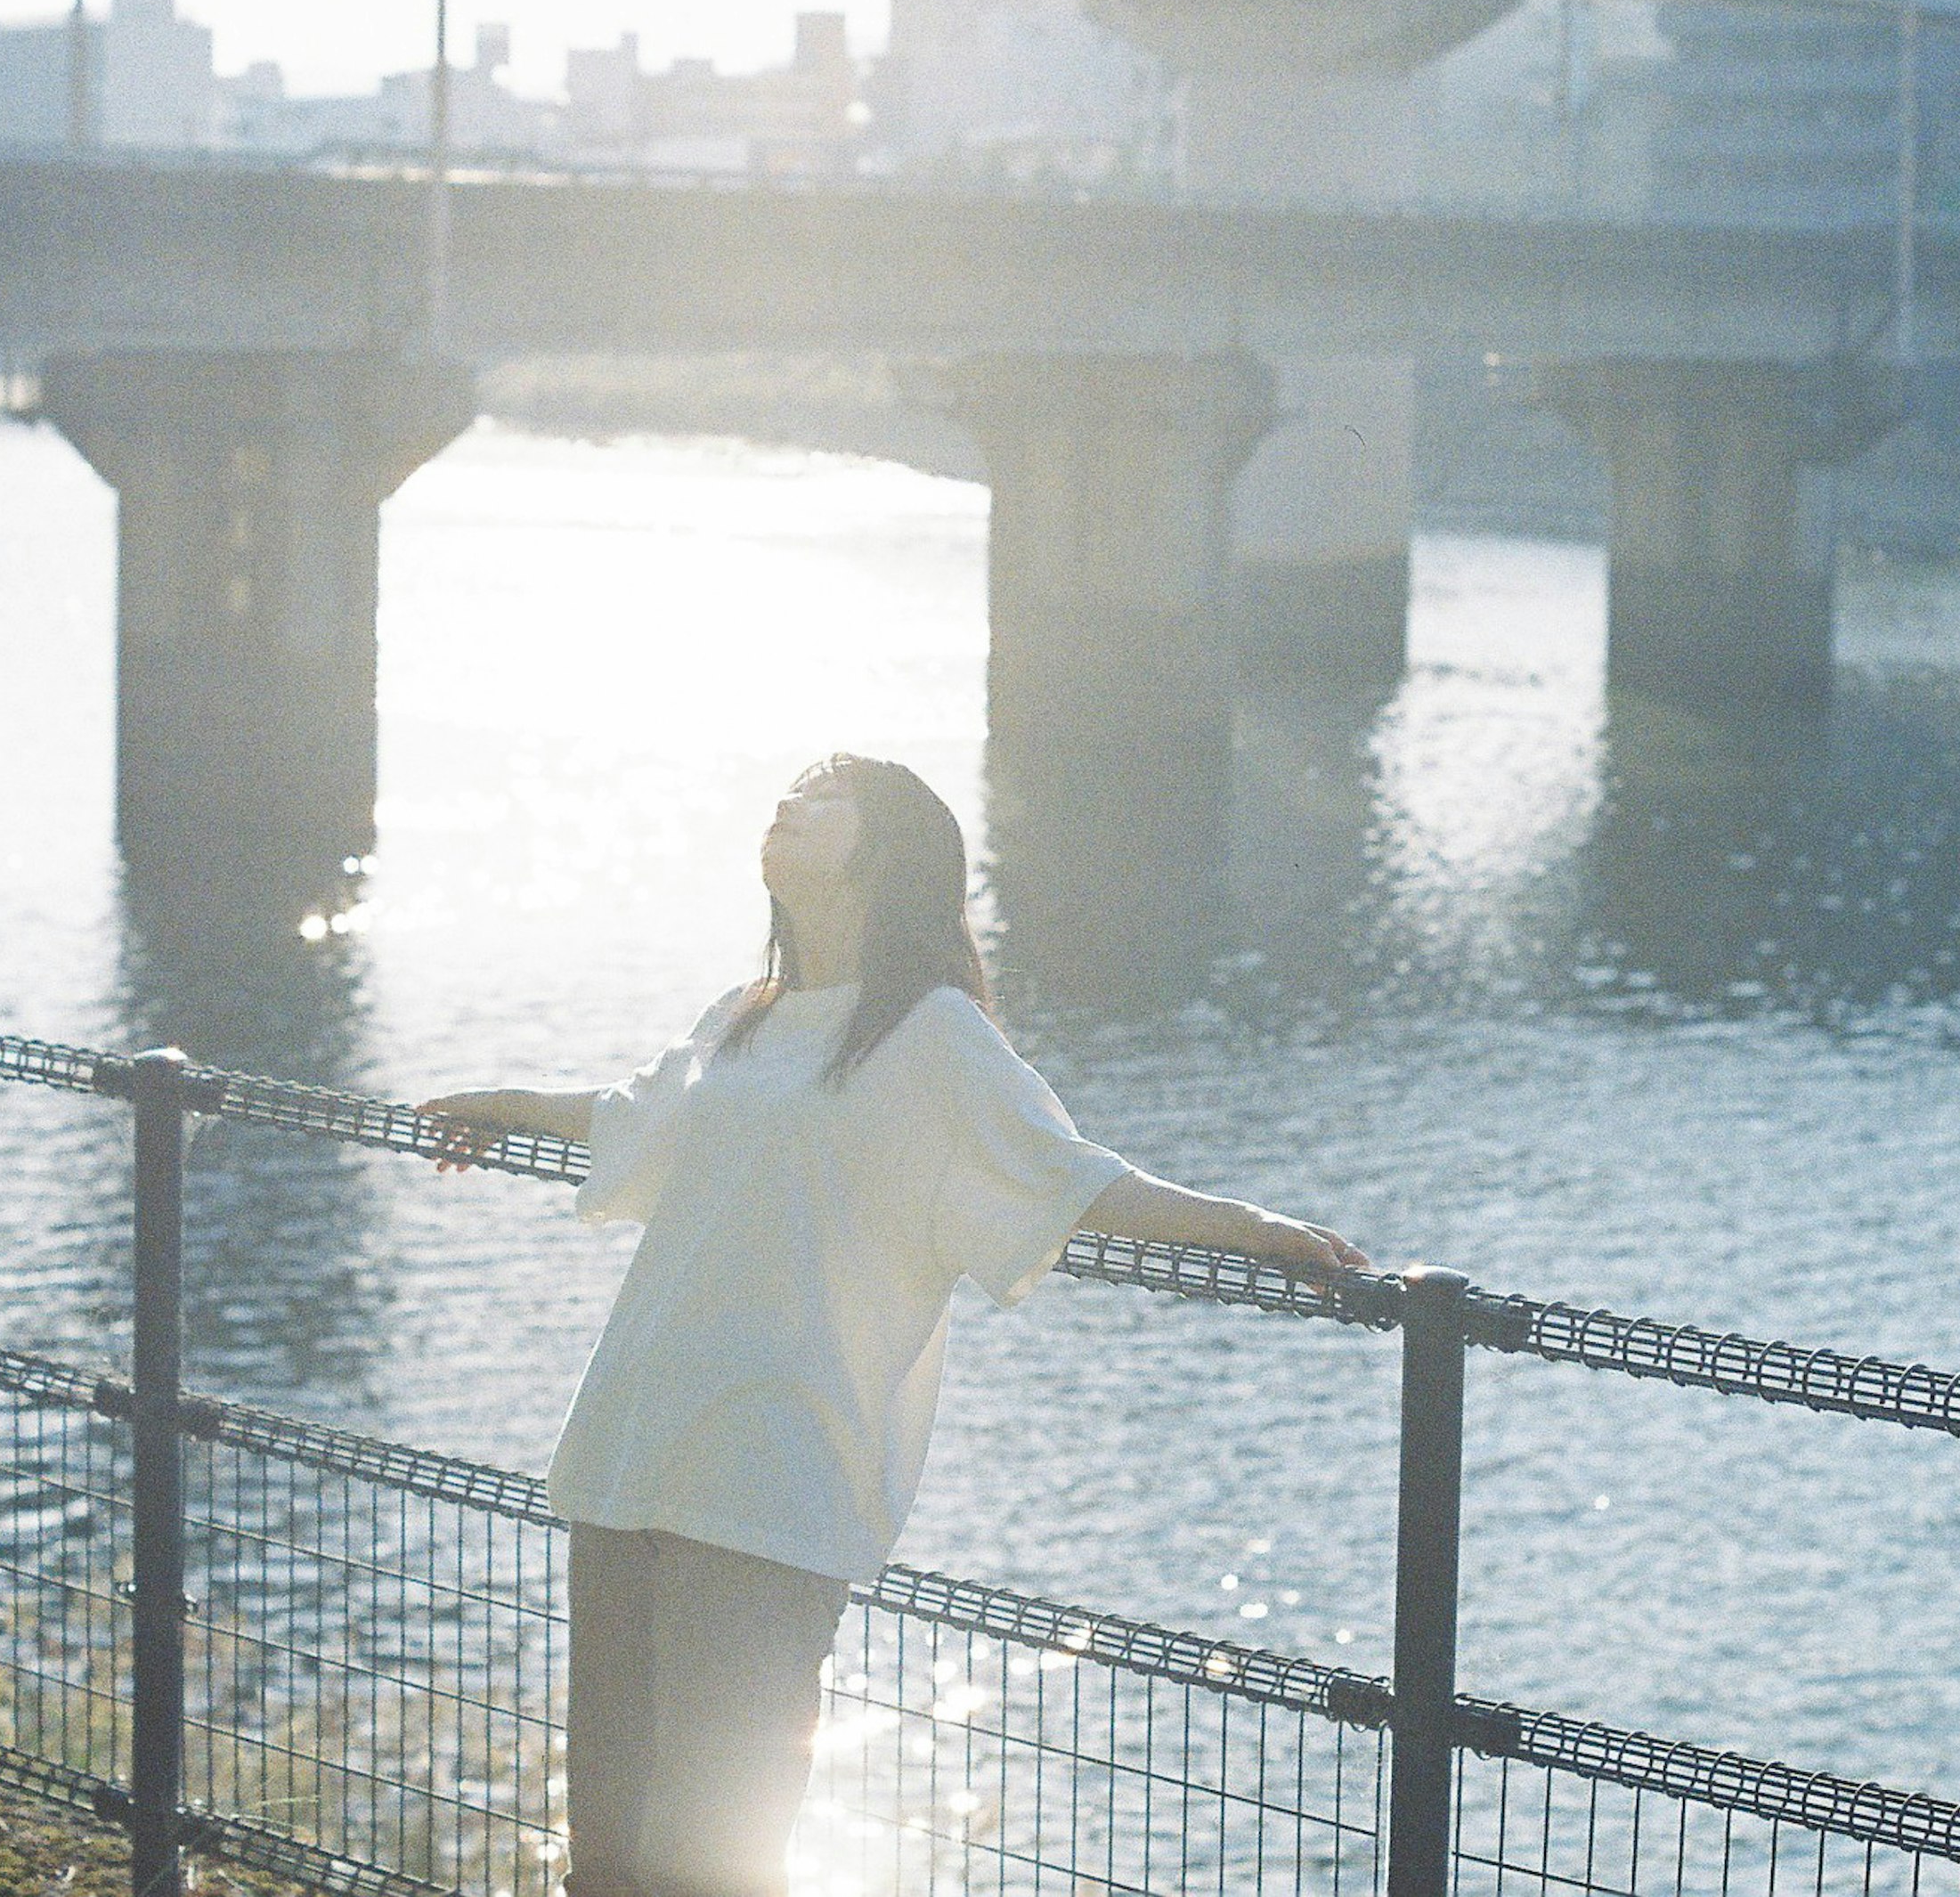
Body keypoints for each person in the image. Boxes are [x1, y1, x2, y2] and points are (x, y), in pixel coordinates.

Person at [418, 753, 1370, 1897]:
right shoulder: (744, 1020)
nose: (788, 803)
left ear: (889, 853)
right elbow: (634, 1121)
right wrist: (511, 1105)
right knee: (609, 1851)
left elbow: (1069, 1178)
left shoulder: (934, 1037)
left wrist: (1252, 1225)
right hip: (627, 1454)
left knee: (710, 1858)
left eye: (824, 796)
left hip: (769, 1484)